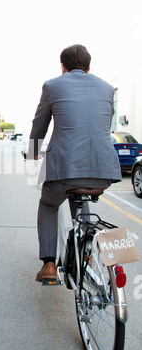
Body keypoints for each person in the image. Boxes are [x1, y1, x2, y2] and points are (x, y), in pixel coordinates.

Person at [25, 45, 122, 282]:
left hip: (63, 167)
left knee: (48, 204)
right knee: (82, 190)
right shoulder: (107, 88)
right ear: (89, 68)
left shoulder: (53, 85)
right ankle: (85, 251)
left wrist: (33, 153)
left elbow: (40, 125)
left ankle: (48, 264)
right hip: (103, 168)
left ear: (63, 67)